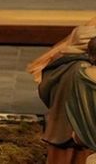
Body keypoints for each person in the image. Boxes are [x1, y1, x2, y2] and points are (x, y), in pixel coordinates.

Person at [29, 17, 96, 164]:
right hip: (75, 131)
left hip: (61, 127)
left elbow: (45, 90)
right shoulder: (81, 69)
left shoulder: (63, 64)